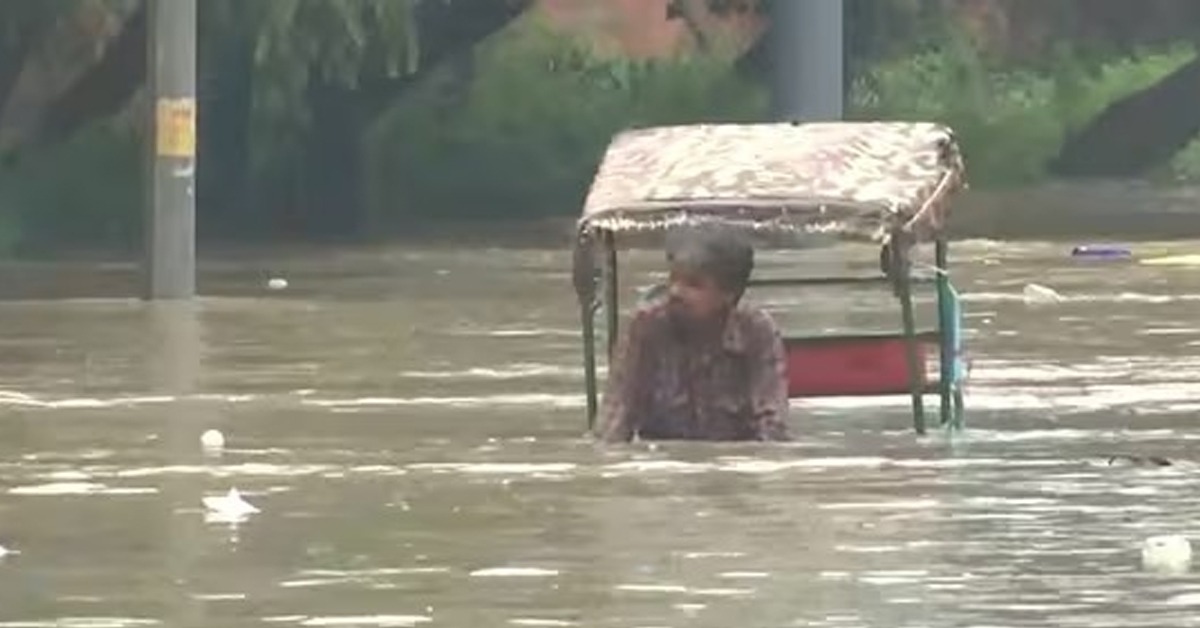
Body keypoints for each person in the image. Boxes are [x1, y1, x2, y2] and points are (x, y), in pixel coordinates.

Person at [597, 225, 791, 443]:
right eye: (673, 279)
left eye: (694, 284)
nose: (675, 291)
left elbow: (773, 424)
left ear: (728, 295)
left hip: (735, 455)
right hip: (663, 456)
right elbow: (616, 417)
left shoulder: (756, 331)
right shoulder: (647, 326)